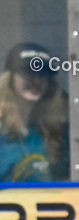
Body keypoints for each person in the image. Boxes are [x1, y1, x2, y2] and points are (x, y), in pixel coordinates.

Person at [0, 43, 68, 182]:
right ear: (11, 77)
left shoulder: (58, 132)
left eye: (43, 73)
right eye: (28, 72)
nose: (37, 80)